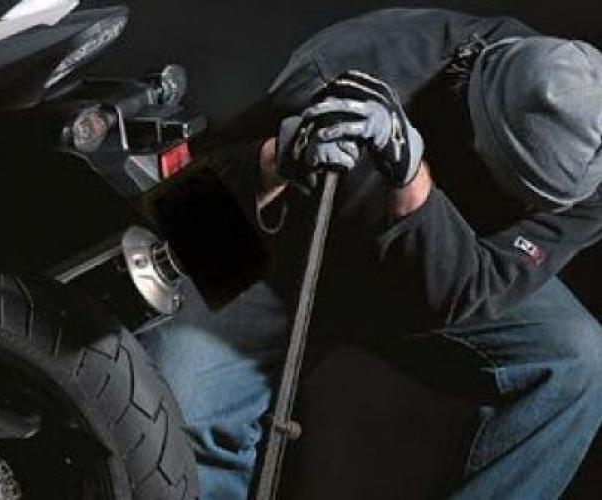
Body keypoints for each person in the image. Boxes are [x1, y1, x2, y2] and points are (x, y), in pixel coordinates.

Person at [140, 8, 602, 500]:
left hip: (427, 277)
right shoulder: (359, 60)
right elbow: (189, 207)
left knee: (577, 363)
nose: (523, 210)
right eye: (512, 192)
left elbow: (469, 290)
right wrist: (280, 157)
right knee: (179, 406)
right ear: (476, 124)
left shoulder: (590, 173)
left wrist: (412, 182)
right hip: (277, 261)